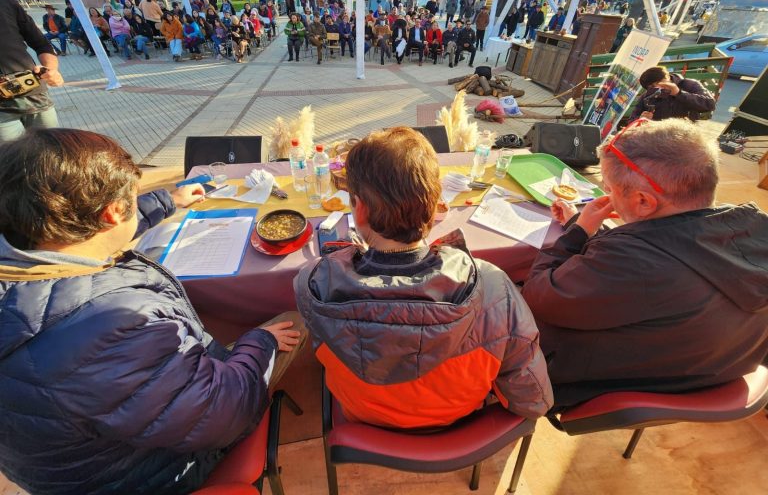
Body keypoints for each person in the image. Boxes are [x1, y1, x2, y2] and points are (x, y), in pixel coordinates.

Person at [0, 128, 306, 495]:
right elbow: (223, 414)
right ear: (112, 213)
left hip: (78, 465)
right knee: (296, 315)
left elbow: (90, 232)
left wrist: (167, 201)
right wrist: (259, 341)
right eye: (131, 198)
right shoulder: (116, 323)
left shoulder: (26, 248)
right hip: (154, 474)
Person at [295, 126, 553, 429]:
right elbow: (534, 401)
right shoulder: (495, 289)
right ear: (434, 207)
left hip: (361, 418)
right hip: (457, 420)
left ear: (359, 210)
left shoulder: (311, 284)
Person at [522, 118, 768, 409]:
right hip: (711, 375)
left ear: (643, 201)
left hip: (604, 386)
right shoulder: (756, 230)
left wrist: (577, 233)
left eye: (609, 188)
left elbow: (538, 295)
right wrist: (586, 224)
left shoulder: (631, 261)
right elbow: (674, 252)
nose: (608, 197)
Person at [0, 0, 63, 142]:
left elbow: (41, 44)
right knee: (15, 161)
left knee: (51, 153)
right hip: (2, 112)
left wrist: (51, 69)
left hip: (34, 93)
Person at [630, 66, 715, 122]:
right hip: (657, 137)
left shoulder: (689, 85)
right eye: (652, 86)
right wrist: (640, 119)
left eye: (659, 82)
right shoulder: (647, 96)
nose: (659, 87)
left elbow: (710, 104)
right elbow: (632, 119)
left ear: (668, 77)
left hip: (685, 135)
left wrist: (679, 93)